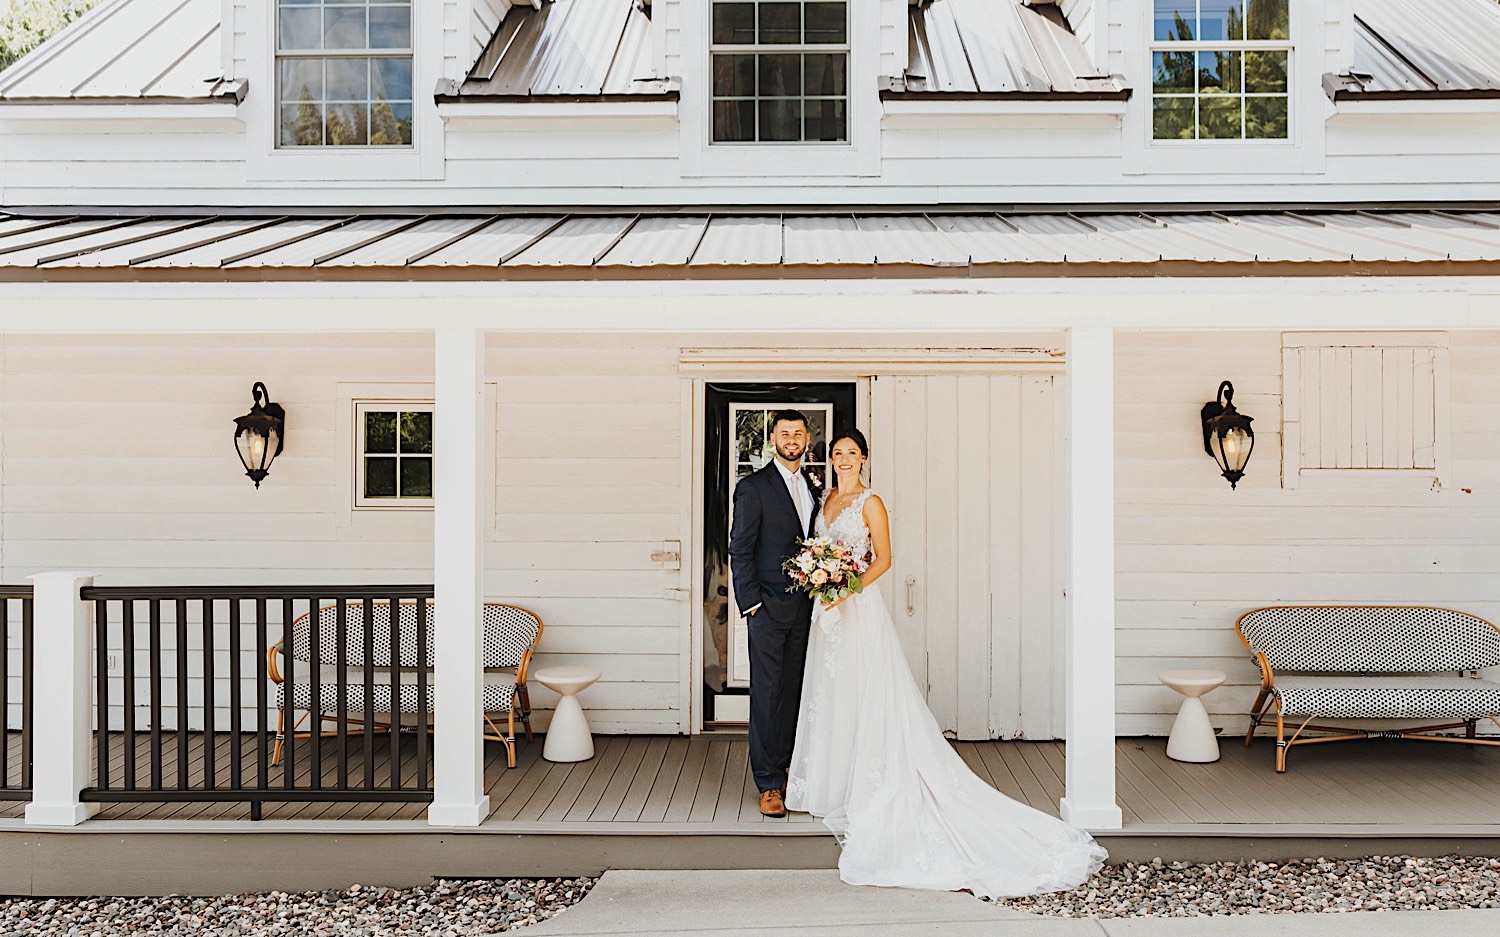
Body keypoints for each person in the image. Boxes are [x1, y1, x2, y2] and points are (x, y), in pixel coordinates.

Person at [785, 428, 1106, 898]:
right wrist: (820, 581)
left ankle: (873, 782)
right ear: (830, 459)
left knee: (865, 689)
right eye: (837, 453)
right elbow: (818, 551)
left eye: (852, 453)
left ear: (865, 458)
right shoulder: (826, 499)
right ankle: (833, 781)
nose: (844, 459)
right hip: (827, 613)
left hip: (856, 609)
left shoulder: (870, 503)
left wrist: (845, 587)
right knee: (832, 691)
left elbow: (885, 559)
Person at [727, 410, 823, 817]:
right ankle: (767, 783)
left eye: (798, 433)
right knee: (767, 695)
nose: (792, 439)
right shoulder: (753, 488)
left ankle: (788, 771)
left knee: (795, 692)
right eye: (784, 433)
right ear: (773, 439)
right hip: (766, 608)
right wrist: (752, 605)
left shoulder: (812, 486)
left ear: (806, 439)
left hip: (807, 610)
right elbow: (740, 549)